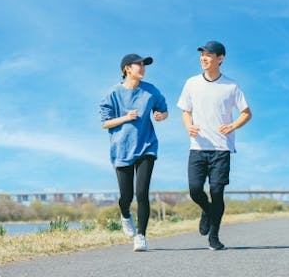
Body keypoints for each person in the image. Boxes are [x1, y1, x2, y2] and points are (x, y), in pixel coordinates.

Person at [176, 41, 252, 250]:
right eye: (202, 54)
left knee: (217, 192)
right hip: (198, 147)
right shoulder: (191, 83)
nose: (204, 57)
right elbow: (185, 111)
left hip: (221, 149)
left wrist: (233, 125)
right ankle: (207, 211)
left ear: (220, 58)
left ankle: (214, 237)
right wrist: (188, 126)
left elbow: (246, 113)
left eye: (209, 54)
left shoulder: (231, 86)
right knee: (194, 190)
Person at [99, 53, 168, 252]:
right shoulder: (113, 93)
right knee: (126, 196)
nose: (143, 68)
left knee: (142, 193)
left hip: (147, 146)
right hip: (122, 149)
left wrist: (160, 115)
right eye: (139, 65)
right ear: (127, 69)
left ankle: (141, 236)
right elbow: (105, 123)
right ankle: (125, 213)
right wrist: (125, 118)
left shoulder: (151, 91)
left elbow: (164, 110)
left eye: (144, 65)